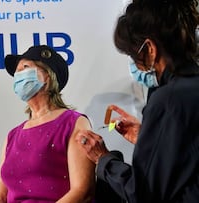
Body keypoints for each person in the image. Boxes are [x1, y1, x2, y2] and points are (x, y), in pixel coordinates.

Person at [76, 0, 199, 203]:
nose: (135, 64)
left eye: (134, 55)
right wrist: (150, 137)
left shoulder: (168, 100)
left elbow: (144, 193)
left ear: (150, 48)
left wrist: (103, 159)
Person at [0, 45, 96, 203]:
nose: (18, 74)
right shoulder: (12, 136)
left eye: (25, 67)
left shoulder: (73, 123)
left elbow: (82, 190)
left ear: (48, 76)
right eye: (17, 71)